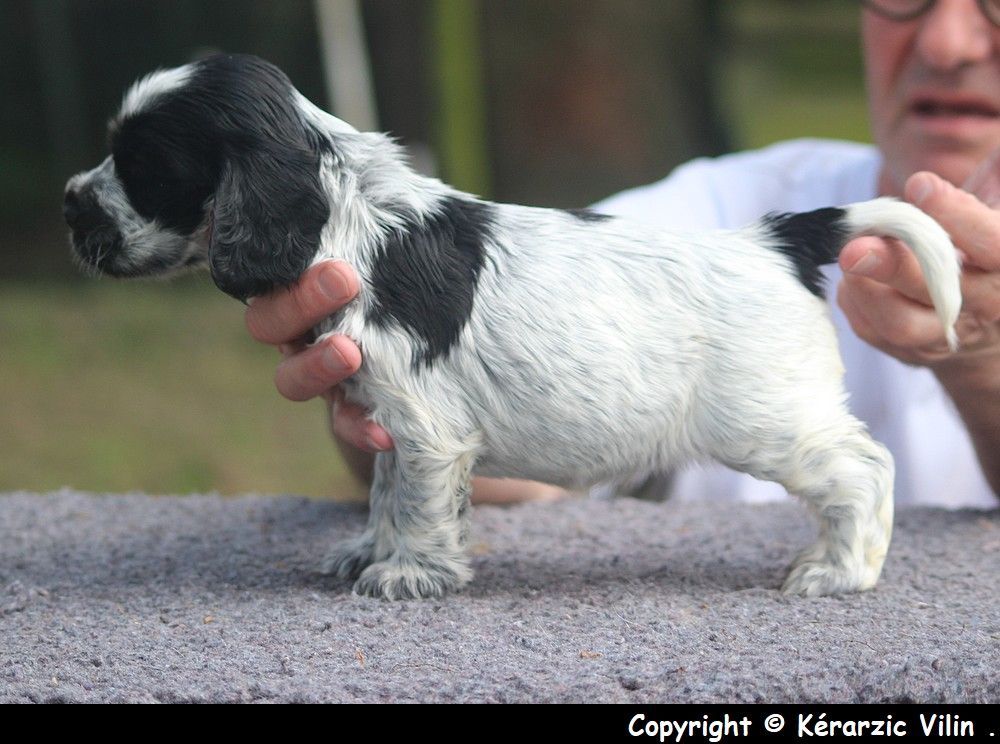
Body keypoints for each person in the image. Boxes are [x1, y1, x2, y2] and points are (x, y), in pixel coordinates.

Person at [244, 0, 1000, 508]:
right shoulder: (729, 212)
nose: (942, 40)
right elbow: (523, 345)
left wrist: (984, 366)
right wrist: (385, 392)